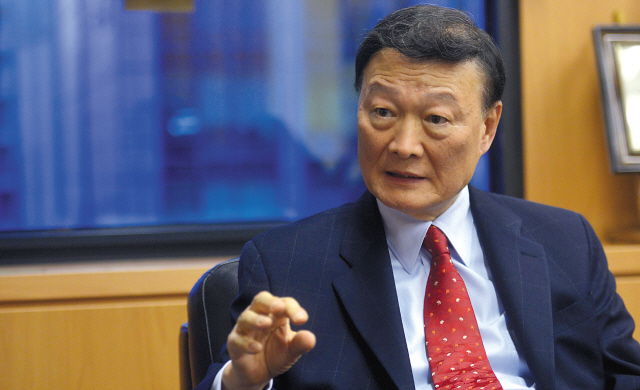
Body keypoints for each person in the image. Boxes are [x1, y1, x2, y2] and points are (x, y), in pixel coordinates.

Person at [195, 4, 640, 390]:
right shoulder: (285, 264)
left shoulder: (565, 240)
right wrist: (242, 382)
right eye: (383, 112)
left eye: (436, 119)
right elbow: (239, 375)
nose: (404, 145)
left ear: (487, 128)